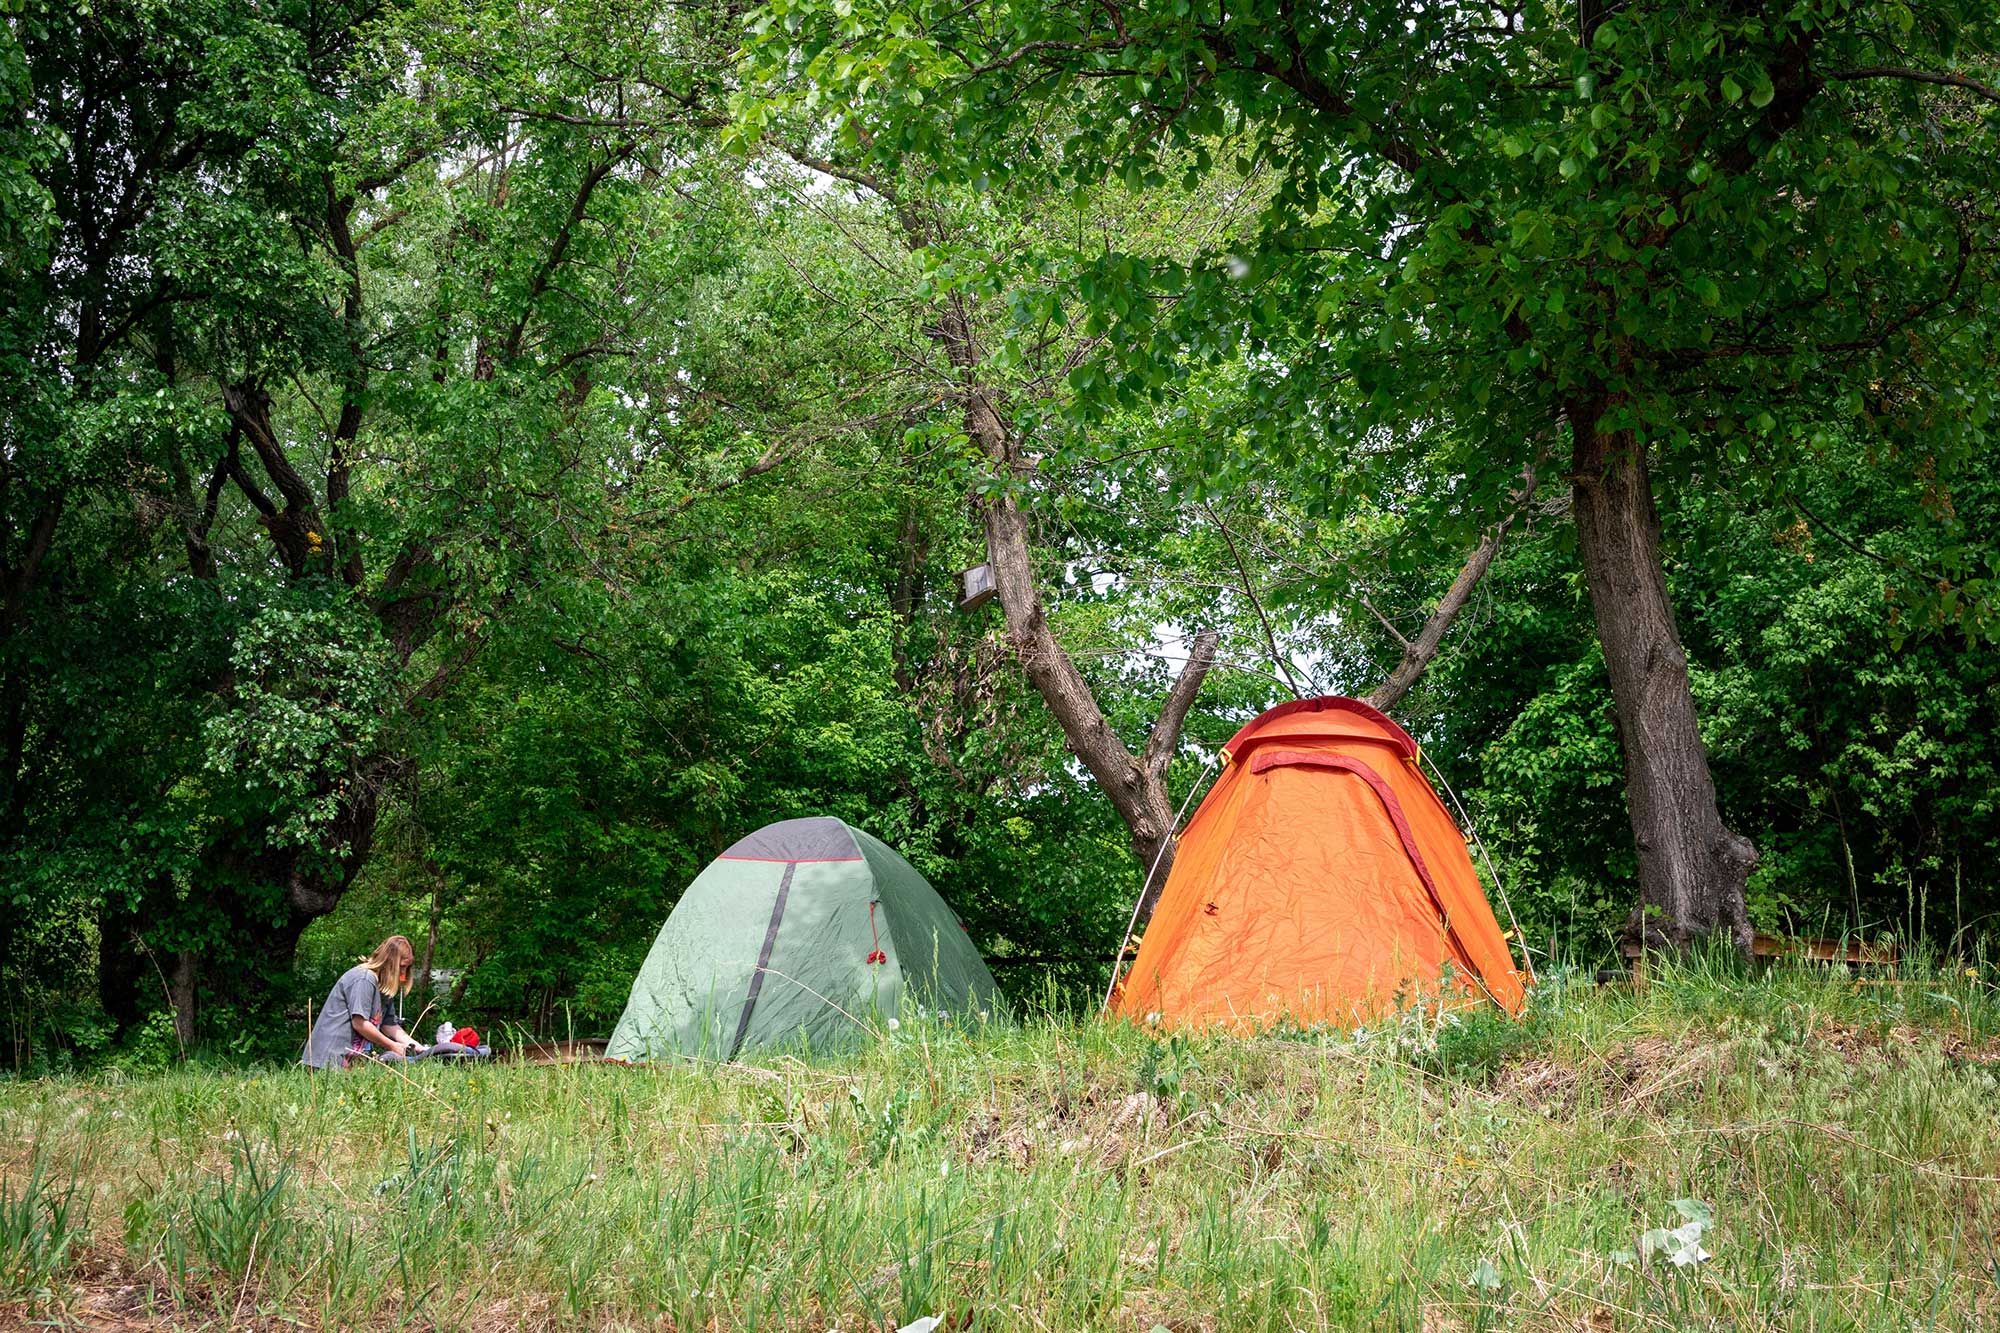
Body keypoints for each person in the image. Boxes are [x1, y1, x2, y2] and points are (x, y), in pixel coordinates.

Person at [302, 935, 427, 1070]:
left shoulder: (384, 986)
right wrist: (392, 1046)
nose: (403, 972)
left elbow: (389, 1025)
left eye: (407, 968)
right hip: (327, 1062)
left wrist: (421, 1050)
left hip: (349, 1064)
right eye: (402, 967)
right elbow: (360, 1023)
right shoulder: (364, 979)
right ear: (389, 962)